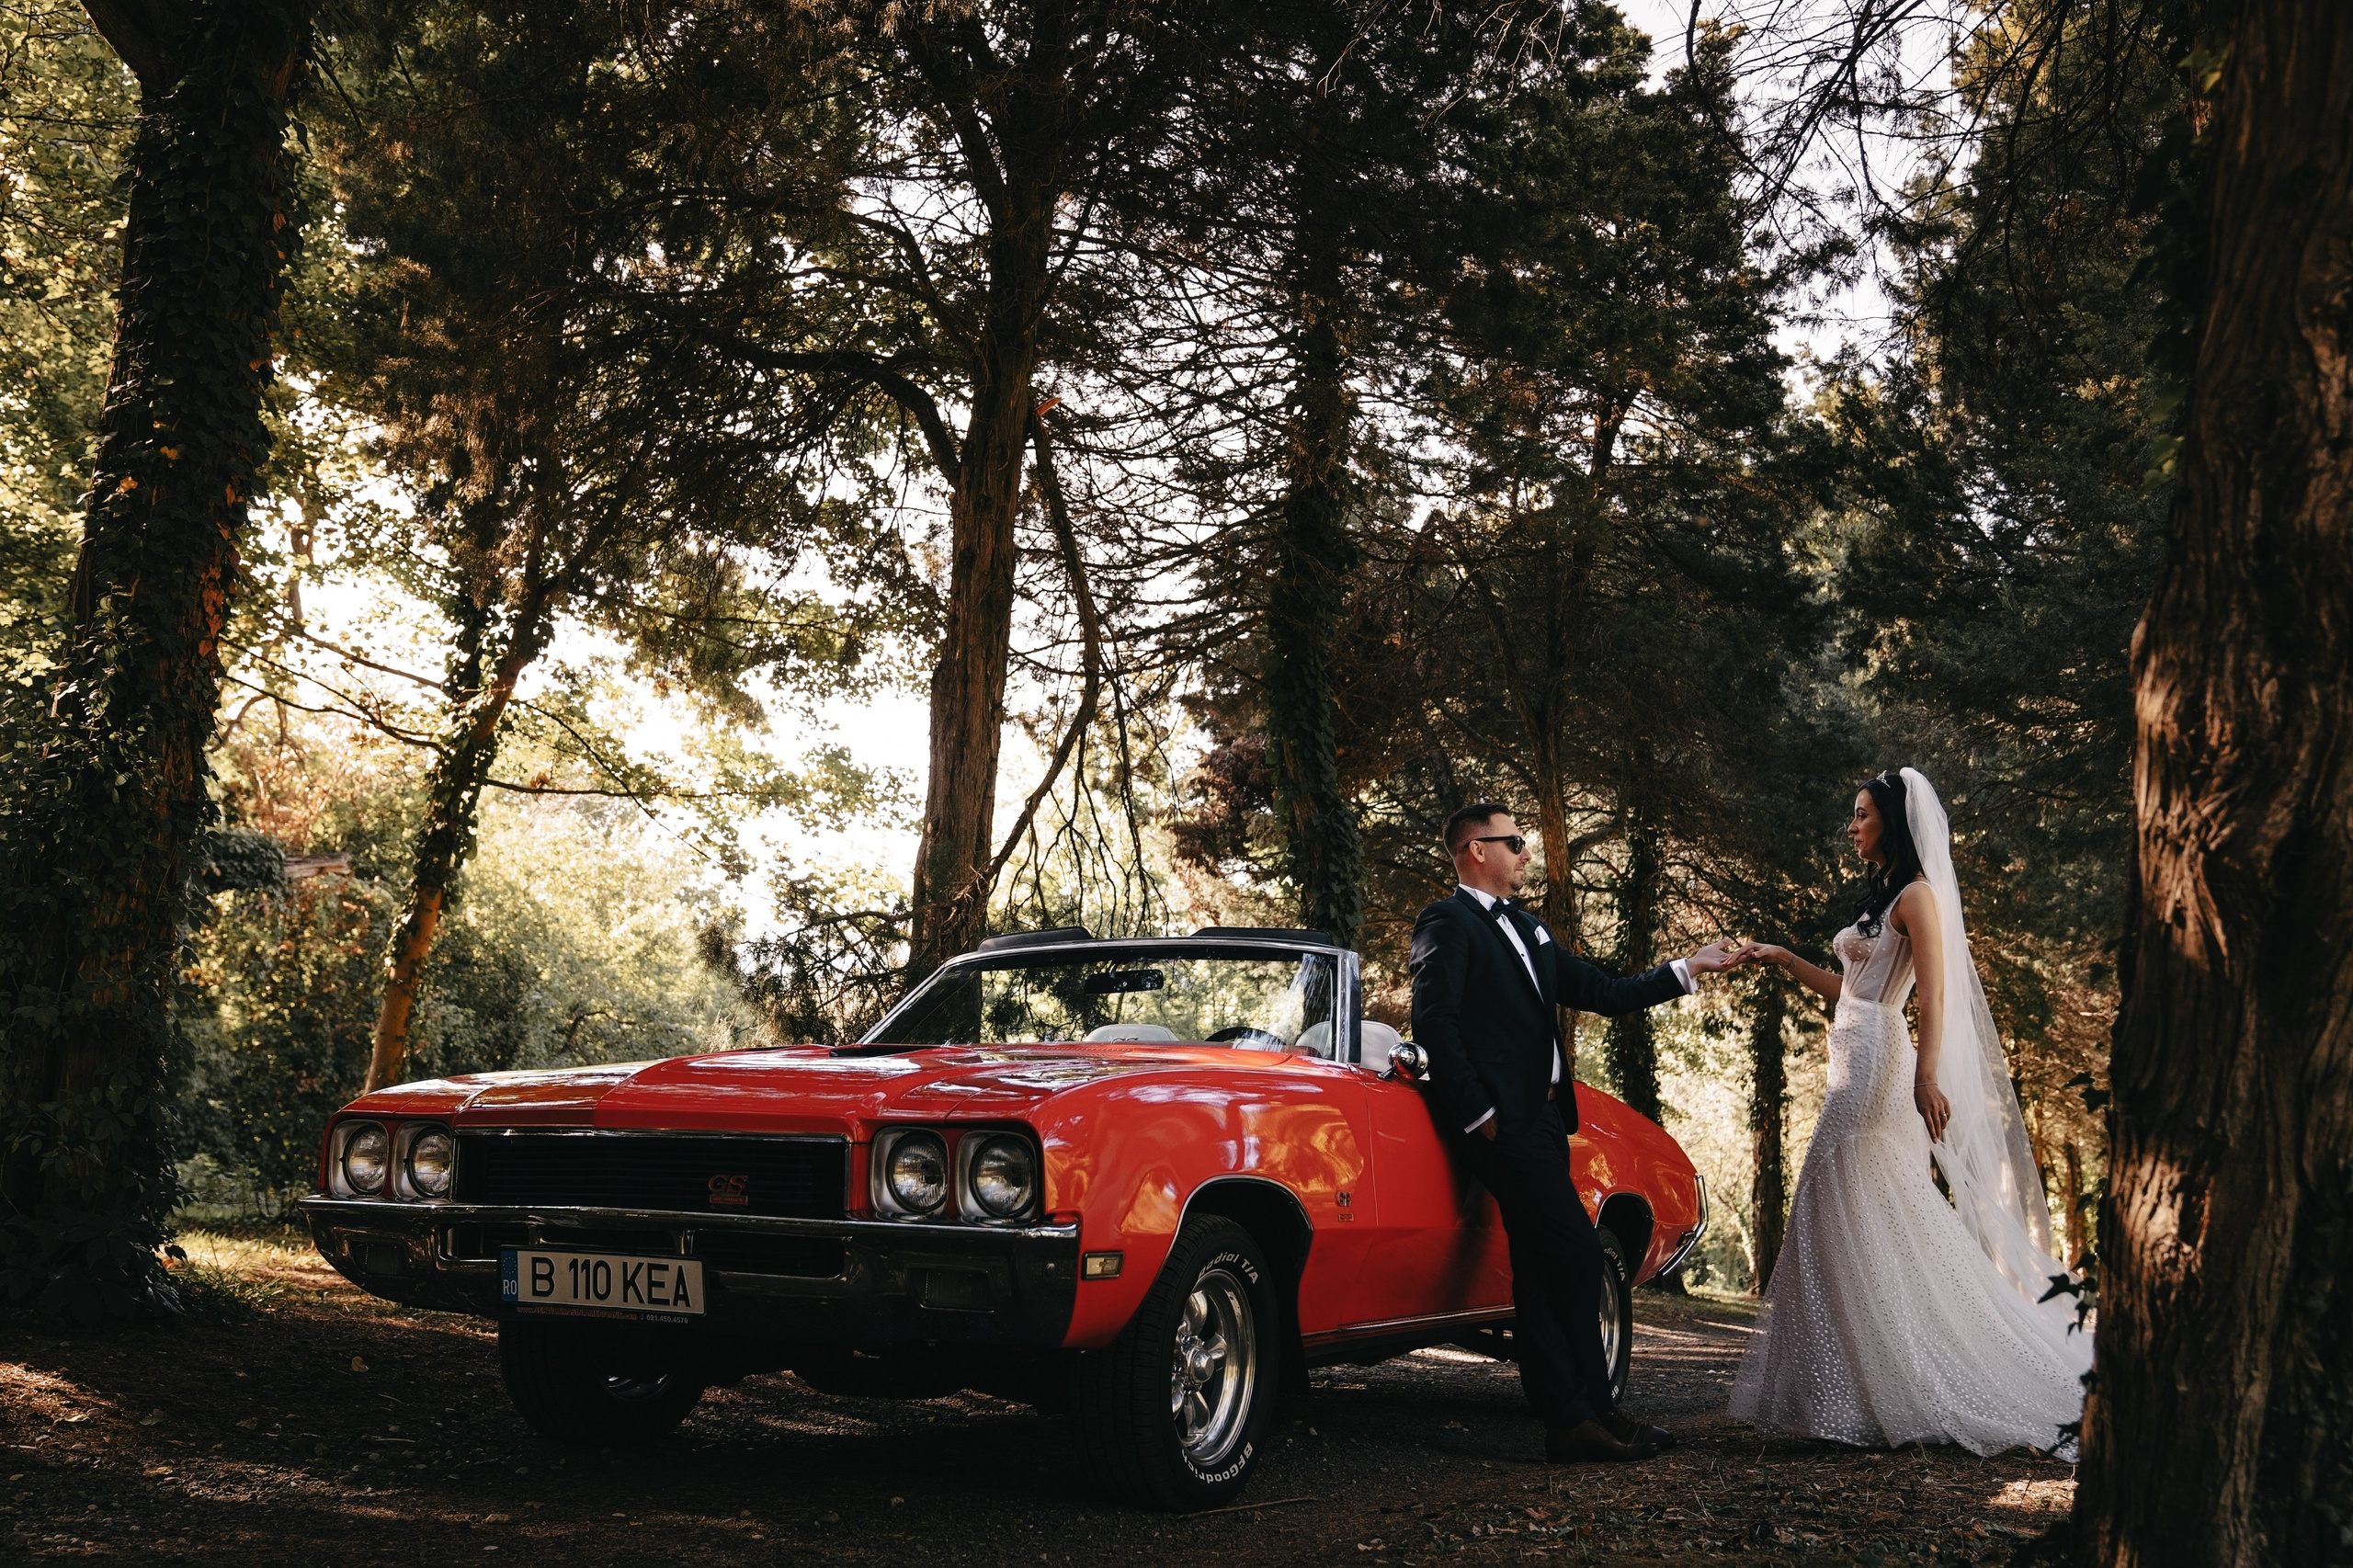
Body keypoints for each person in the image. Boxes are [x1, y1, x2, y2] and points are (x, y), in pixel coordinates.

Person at [1725, 767, 2092, 1456]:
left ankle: (1879, 1387)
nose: (1852, 825)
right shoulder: (1885, 896)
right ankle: (1855, 1390)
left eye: (1861, 814)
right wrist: (1781, 957)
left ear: (1892, 821)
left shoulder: (1920, 896)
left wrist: (1926, 1078)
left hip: (1880, 1065)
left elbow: (1932, 996)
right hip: (1854, 1046)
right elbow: (1851, 990)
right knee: (1866, 1206)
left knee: (1830, 1197)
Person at [1409, 802, 1737, 1463]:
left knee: (1539, 1267)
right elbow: (1434, 1020)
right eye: (1515, 841)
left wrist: (1687, 968)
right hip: (1504, 1128)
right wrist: (1480, 1115)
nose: (1526, 853)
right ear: (1476, 850)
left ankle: (1576, 1421)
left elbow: (1604, 991)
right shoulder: (1447, 921)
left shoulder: (1528, 930)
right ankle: (1586, 1411)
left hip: (1547, 1123)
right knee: (1580, 1256)